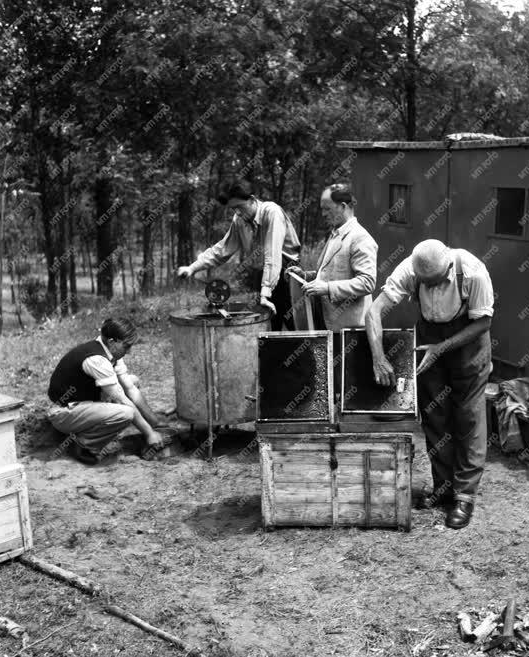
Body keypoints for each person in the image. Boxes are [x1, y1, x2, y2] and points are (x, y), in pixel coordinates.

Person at [365, 239, 494, 529]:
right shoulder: (411, 269)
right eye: (425, 284)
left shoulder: (473, 272)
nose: (430, 288)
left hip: (467, 342)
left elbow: (483, 322)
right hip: (428, 340)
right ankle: (443, 486)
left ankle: (464, 496)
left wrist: (443, 347)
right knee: (434, 415)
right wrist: (377, 357)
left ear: (448, 266)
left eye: (435, 283)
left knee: (468, 418)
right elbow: (373, 312)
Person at [286, 183, 378, 391]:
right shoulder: (336, 233)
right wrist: (306, 276)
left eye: (327, 209)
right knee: (331, 383)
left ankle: (343, 422)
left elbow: (368, 282)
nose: (323, 214)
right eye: (322, 209)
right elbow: (328, 272)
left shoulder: (360, 238)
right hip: (330, 324)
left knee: (345, 386)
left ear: (343, 206)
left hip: (348, 329)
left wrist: (327, 288)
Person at [177, 179, 301, 330]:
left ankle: (307, 352)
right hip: (265, 273)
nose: (237, 212)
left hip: (287, 271)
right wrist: (192, 268)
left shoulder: (271, 212)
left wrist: (265, 293)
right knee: (270, 326)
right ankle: (276, 352)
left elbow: (273, 255)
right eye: (233, 209)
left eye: (239, 207)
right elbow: (222, 249)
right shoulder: (240, 220)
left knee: (294, 325)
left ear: (252, 200)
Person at [47, 318, 165, 464]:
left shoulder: (111, 352)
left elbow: (130, 388)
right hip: (63, 413)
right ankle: (83, 444)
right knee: (126, 413)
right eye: (127, 346)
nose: (129, 351)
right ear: (112, 341)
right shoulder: (97, 360)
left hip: (84, 403)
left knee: (132, 380)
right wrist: (149, 434)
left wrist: (156, 424)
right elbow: (122, 400)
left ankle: (87, 431)